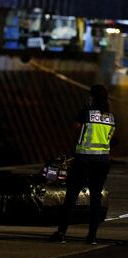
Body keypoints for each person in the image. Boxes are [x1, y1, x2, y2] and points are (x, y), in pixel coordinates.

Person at [50, 84, 116, 245]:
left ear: (92, 97)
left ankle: (61, 232)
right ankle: (92, 237)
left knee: (72, 195)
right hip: (102, 161)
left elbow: (77, 132)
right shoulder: (111, 117)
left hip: (84, 159)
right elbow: (110, 138)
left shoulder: (84, 114)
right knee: (95, 199)